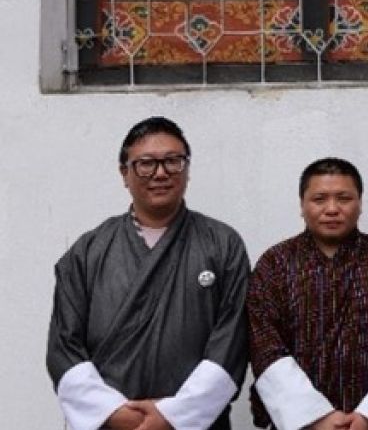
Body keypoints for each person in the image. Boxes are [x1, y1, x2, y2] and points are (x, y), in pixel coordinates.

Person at [47, 116, 250, 430]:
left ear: (187, 169)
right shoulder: (88, 252)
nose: (160, 173)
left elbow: (232, 342)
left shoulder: (222, 245)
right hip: (111, 423)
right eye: (146, 163)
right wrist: (117, 415)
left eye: (173, 161)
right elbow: (64, 348)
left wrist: (173, 416)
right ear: (124, 173)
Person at [247, 157, 368, 430]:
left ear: (360, 204)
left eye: (344, 198)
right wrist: (315, 418)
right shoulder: (275, 264)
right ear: (302, 205)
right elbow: (264, 344)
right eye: (319, 199)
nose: (332, 209)